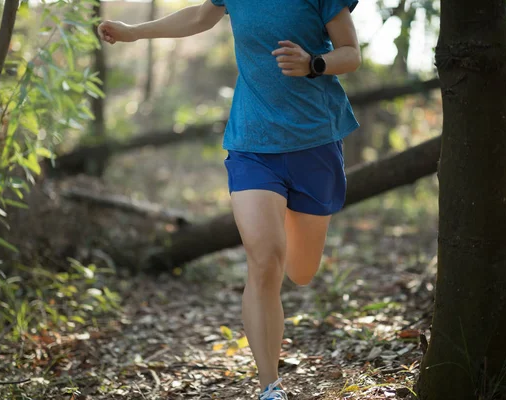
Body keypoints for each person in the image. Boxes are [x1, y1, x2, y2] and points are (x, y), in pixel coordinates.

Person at [98, 1, 360, 398]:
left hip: (315, 143)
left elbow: (351, 53)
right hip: (252, 143)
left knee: (301, 271)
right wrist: (134, 32)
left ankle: (288, 215)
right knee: (265, 259)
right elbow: (200, 16)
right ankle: (270, 386)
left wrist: (314, 64)